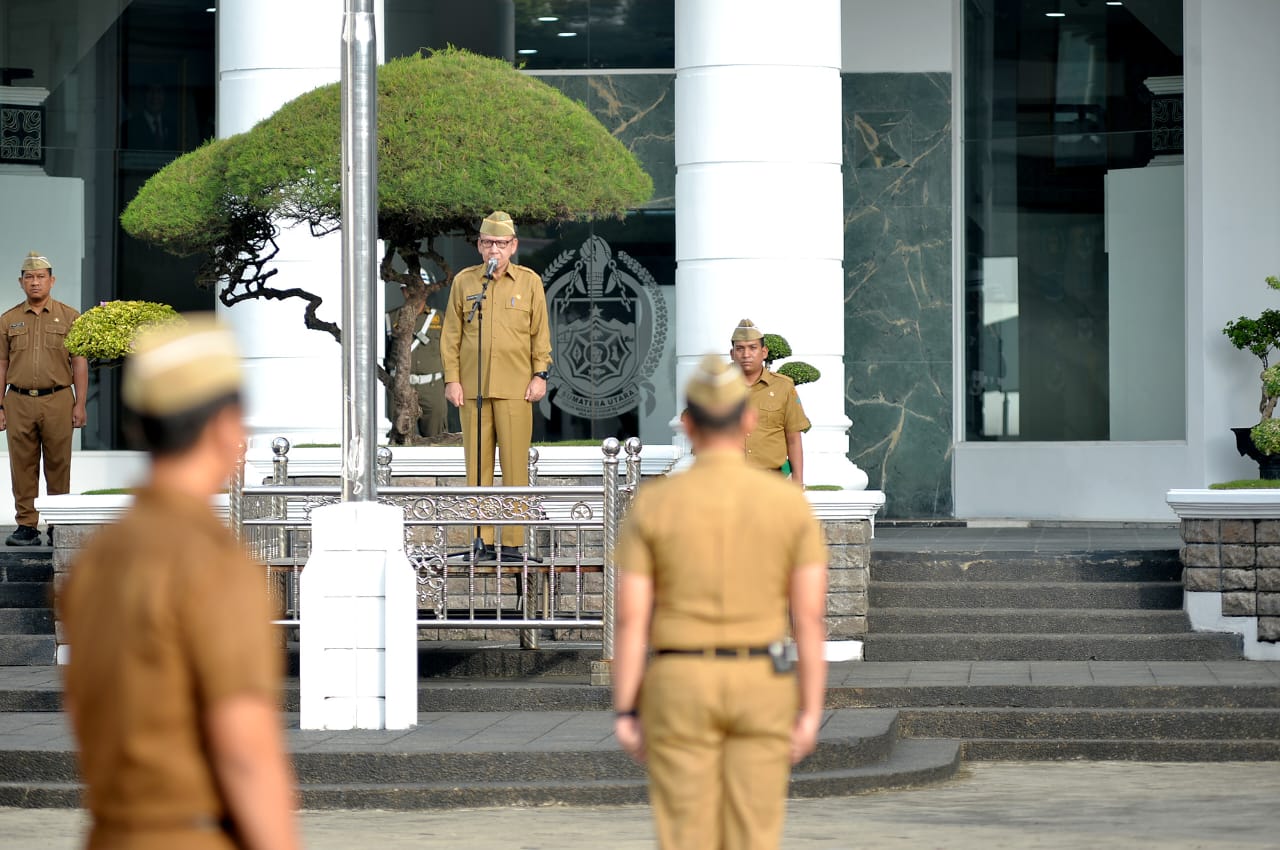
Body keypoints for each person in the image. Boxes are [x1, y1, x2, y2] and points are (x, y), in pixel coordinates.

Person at [57, 317, 301, 850]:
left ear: (140, 427)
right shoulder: (211, 560)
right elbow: (244, 747)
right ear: (224, 427)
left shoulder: (98, 557)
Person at [612, 353, 829, 850]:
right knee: (754, 836)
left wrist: (626, 710)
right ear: (748, 420)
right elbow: (810, 619)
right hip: (760, 681)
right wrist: (811, 712)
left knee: (686, 837)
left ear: (687, 424)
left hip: (679, 681)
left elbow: (631, 618)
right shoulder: (787, 505)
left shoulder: (655, 503)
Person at [441, 211, 552, 560]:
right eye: (488, 242)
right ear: (478, 245)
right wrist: (452, 379)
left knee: (516, 466)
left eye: (501, 244)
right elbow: (451, 336)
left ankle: (514, 543)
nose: (494, 250)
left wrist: (540, 374)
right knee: (477, 467)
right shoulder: (466, 282)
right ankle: (481, 539)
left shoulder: (529, 282)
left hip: (516, 388)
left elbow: (540, 333)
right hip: (473, 389)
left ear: (513, 246)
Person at [0, 251, 88, 546]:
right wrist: (0, 404)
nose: (35, 283)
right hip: (19, 401)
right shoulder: (8, 320)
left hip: (58, 399)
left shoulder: (70, 316)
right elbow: (1, 364)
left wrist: (80, 403)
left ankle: (58, 523)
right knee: (22, 465)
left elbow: (79, 363)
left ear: (52, 281)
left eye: (40, 277)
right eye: (29, 277)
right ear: (20, 282)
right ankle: (26, 525)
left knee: (58, 463)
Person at [729, 318, 810, 487]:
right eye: (740, 349)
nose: (746, 355)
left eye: (752, 348)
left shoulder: (783, 386)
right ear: (732, 353)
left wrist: (798, 483)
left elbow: (793, 438)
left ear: (764, 352)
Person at [409, 305, 448, 438]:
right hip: (403, 387)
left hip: (433, 386)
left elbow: (451, 349)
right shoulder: (392, 317)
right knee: (402, 439)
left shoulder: (441, 318)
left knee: (436, 438)